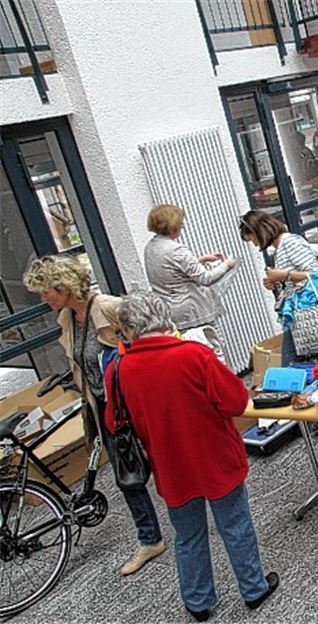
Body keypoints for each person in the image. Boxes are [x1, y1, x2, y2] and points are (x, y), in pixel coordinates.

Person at [105, 293, 278, 622]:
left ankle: (198, 602)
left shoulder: (118, 368)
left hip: (169, 465)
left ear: (128, 329)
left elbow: (114, 421)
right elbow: (235, 402)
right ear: (165, 318)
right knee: (236, 526)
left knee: (187, 535)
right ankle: (253, 589)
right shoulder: (194, 354)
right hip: (216, 457)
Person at [22, 256, 166, 577]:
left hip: (138, 404)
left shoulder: (111, 307)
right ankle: (150, 539)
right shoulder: (68, 319)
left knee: (168, 461)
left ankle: (195, 513)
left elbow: (158, 340)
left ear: (64, 286)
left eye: (45, 292)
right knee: (127, 476)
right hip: (105, 408)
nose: (43, 299)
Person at [143, 204, 236, 359]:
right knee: (212, 348)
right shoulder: (176, 250)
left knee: (190, 352)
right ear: (173, 226)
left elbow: (172, 271)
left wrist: (201, 260)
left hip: (170, 308)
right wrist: (227, 265)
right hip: (191, 308)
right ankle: (222, 379)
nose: (182, 227)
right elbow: (205, 278)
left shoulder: (150, 247)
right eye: (180, 223)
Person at [239, 210, 318, 366]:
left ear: (259, 232)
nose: (255, 245)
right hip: (296, 315)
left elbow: (315, 275)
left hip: (306, 313)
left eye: (253, 239)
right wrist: (275, 283)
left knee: (290, 363)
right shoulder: (279, 248)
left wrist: (284, 275)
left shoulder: (290, 242)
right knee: (297, 363)